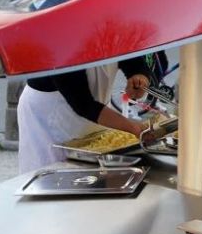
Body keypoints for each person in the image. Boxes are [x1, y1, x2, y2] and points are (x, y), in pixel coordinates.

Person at [17, 58, 151, 173]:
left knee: (93, 169)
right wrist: (133, 127)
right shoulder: (63, 42)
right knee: (52, 172)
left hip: (96, 110)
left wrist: (140, 76)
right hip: (51, 113)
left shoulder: (114, 31)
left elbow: (133, 60)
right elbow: (83, 104)